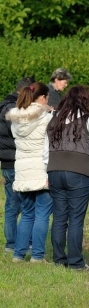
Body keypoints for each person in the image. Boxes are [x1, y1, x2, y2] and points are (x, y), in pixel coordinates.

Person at [44, 86, 89, 272]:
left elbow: (45, 149)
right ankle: (76, 263)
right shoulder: (86, 120)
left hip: (54, 171)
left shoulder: (53, 119)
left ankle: (59, 259)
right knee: (76, 219)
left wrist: (47, 171)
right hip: (78, 172)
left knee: (59, 217)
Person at [6, 82, 53, 263]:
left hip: (22, 171)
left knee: (27, 214)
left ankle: (18, 254)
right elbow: (49, 147)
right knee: (42, 214)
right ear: (42, 98)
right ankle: (37, 256)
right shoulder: (46, 118)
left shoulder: (16, 119)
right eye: (47, 98)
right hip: (41, 170)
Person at [1, 77, 34, 253]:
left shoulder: (5, 106)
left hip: (7, 162)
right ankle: (18, 242)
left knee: (12, 204)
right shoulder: (12, 109)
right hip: (16, 161)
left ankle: (12, 243)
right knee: (23, 205)